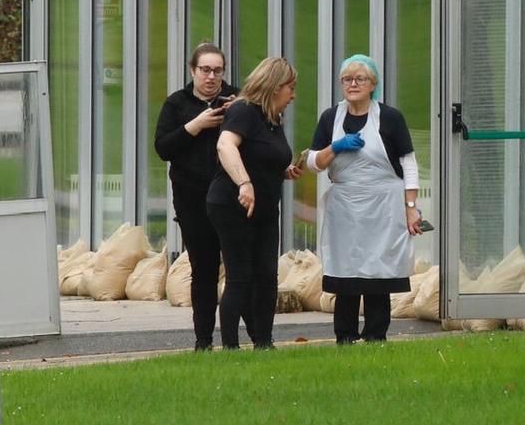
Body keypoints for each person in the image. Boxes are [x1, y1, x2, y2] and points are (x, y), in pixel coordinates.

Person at [306, 54, 422, 343]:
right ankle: (344, 336)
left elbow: (408, 163)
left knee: (378, 271)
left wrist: (410, 207)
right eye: (347, 79)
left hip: (384, 205)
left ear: (373, 85)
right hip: (344, 204)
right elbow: (313, 163)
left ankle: (375, 335)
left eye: (360, 79)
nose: (353, 84)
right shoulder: (330, 118)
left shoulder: (391, 118)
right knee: (345, 271)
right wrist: (336, 146)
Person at [206, 56, 303, 349]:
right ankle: (231, 347)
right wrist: (245, 183)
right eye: (290, 88)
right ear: (274, 87)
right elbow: (225, 145)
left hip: (264, 206)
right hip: (232, 203)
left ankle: (263, 342)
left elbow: (262, 155)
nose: (293, 95)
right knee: (240, 275)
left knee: (267, 275)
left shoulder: (273, 119)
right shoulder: (243, 110)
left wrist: (283, 170)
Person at [153, 42, 236, 351]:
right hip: (192, 200)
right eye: (205, 70)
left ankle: (242, 338)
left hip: (230, 197)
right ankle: (203, 339)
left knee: (238, 268)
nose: (211, 77)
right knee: (204, 268)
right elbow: (163, 148)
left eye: (217, 70)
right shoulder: (177, 104)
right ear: (193, 71)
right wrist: (196, 125)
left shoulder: (235, 99)